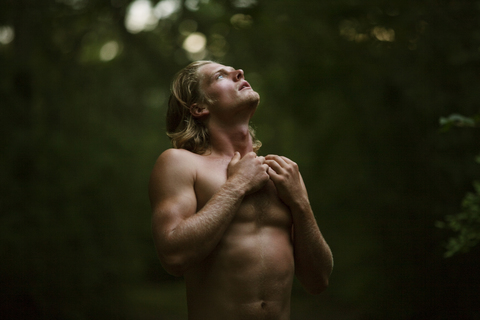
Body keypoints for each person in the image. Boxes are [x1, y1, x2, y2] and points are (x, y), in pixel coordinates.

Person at [149, 60, 333, 320]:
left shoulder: (283, 174)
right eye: (220, 76)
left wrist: (301, 204)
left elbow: (318, 281)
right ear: (199, 108)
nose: (239, 73)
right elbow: (173, 256)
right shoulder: (180, 163)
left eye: (235, 71)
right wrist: (236, 186)